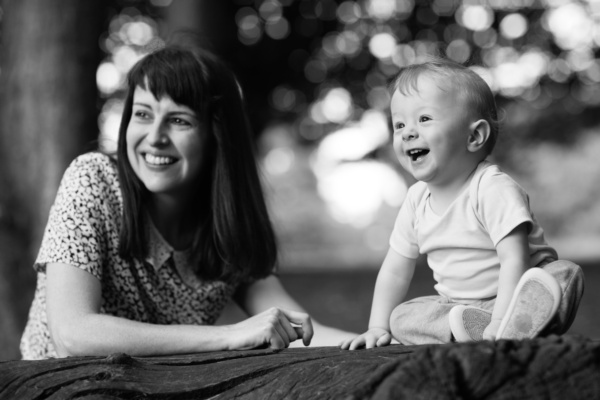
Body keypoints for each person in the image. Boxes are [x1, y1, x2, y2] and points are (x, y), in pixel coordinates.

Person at [20, 43, 351, 360]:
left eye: (179, 120)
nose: (155, 137)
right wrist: (229, 336)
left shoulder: (224, 228)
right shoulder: (93, 180)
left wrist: (381, 341)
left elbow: (301, 330)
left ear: (215, 137)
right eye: (143, 114)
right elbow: (72, 334)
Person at [341, 57, 584, 349]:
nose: (408, 132)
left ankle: (515, 324)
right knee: (402, 317)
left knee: (564, 274)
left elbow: (513, 259)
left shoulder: (492, 188)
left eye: (424, 119)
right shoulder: (416, 200)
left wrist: (499, 318)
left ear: (474, 136)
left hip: (521, 289)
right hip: (460, 304)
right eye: (399, 124)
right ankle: (470, 328)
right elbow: (395, 270)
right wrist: (377, 326)